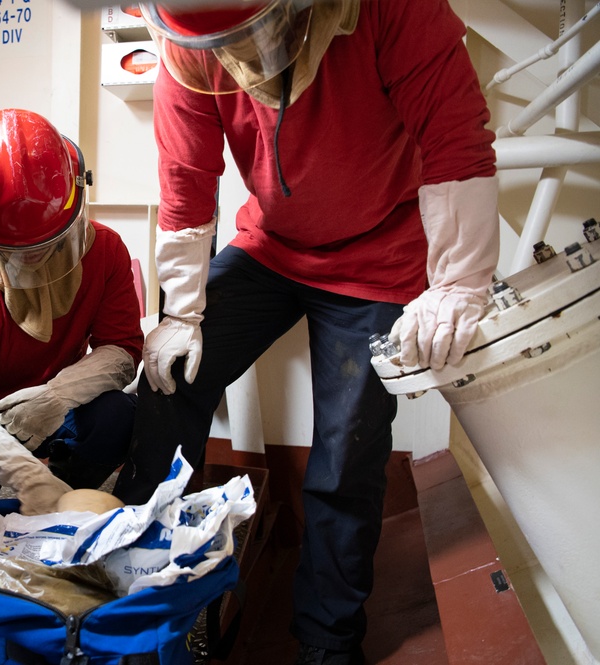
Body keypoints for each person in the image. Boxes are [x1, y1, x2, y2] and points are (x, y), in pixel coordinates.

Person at [111, 2, 499, 664]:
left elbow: (453, 134)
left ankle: (327, 640)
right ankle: (141, 584)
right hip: (272, 245)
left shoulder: (393, 9)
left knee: (346, 451)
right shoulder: (186, 35)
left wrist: (461, 279)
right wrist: (181, 312)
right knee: (169, 380)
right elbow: (185, 183)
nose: (248, 58)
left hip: (379, 255)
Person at [0, 109, 144, 517]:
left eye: (46, 242)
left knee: (118, 416)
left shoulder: (106, 251)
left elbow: (123, 350)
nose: (34, 258)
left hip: (56, 404)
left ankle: (64, 487)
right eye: (17, 251)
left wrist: (56, 396)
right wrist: (28, 478)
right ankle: (38, 487)